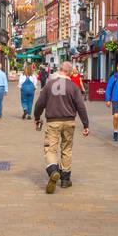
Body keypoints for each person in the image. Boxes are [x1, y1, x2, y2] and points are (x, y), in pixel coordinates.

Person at [33, 60, 90, 193]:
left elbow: (40, 103)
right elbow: (81, 107)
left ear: (59, 70)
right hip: (69, 121)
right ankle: (65, 179)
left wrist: (37, 117)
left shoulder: (49, 85)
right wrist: (85, 124)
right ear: (69, 72)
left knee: (50, 149)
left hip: (53, 121)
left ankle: (53, 170)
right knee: (66, 148)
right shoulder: (73, 87)